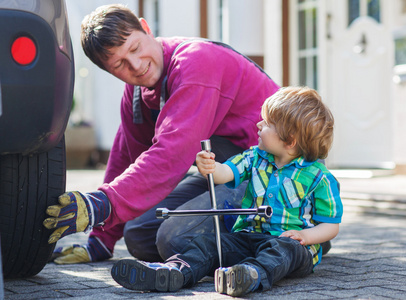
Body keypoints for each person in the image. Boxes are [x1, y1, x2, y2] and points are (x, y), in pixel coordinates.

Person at [42, 4, 280, 264]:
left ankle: (293, 234)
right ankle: (228, 243)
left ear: (146, 28)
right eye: (119, 64)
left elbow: (173, 153)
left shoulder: (196, 62)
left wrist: (101, 205)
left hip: (280, 172)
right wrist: (101, 238)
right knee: (140, 234)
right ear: (109, 71)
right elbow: (126, 160)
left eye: (135, 48)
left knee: (172, 238)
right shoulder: (137, 95)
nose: (136, 65)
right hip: (226, 171)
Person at [110, 86, 343, 297]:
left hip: (292, 247)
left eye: (267, 123)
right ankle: (174, 271)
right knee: (208, 243)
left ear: (289, 140)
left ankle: (250, 275)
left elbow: (330, 225)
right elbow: (225, 173)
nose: (258, 125)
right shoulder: (254, 157)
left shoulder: (319, 178)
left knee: (284, 250)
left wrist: (306, 236)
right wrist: (210, 167)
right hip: (247, 237)